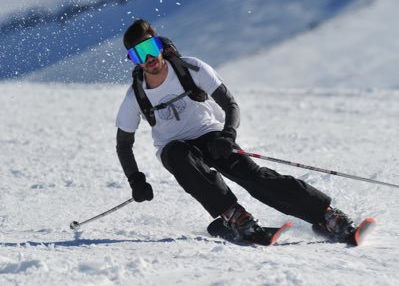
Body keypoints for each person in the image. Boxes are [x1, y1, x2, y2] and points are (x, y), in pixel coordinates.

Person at [115, 19, 355, 244]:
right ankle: (234, 217)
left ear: (159, 43)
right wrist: (135, 180)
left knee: (254, 176)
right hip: (174, 146)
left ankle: (325, 216)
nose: (148, 57)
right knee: (179, 155)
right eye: (138, 53)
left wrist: (228, 134)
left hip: (210, 134)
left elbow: (230, 104)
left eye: (149, 46)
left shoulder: (192, 68)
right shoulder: (135, 96)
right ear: (133, 60)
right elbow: (123, 144)